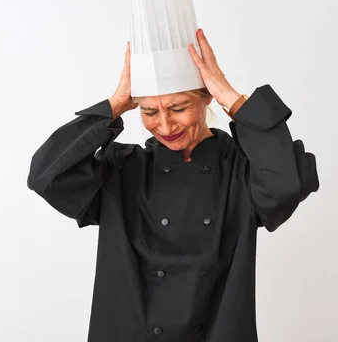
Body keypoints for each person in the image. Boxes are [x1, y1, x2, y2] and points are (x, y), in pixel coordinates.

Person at [27, 28, 320, 342]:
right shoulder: (122, 170)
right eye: (149, 111)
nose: (165, 126)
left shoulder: (242, 170)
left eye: (179, 108)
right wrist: (115, 104)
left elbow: (287, 183)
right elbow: (46, 175)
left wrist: (233, 99)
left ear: (207, 96)